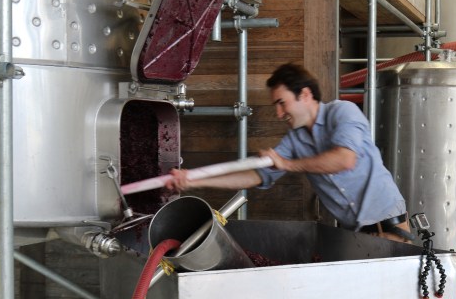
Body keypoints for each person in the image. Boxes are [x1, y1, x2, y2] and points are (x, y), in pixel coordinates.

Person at [168, 63, 412, 242]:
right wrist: (193, 181)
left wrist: (288, 165)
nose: (278, 113)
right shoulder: (294, 141)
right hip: (355, 233)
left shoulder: (343, 112)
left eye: (281, 103)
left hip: (388, 228)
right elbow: (255, 176)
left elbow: (344, 160)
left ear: (304, 95)